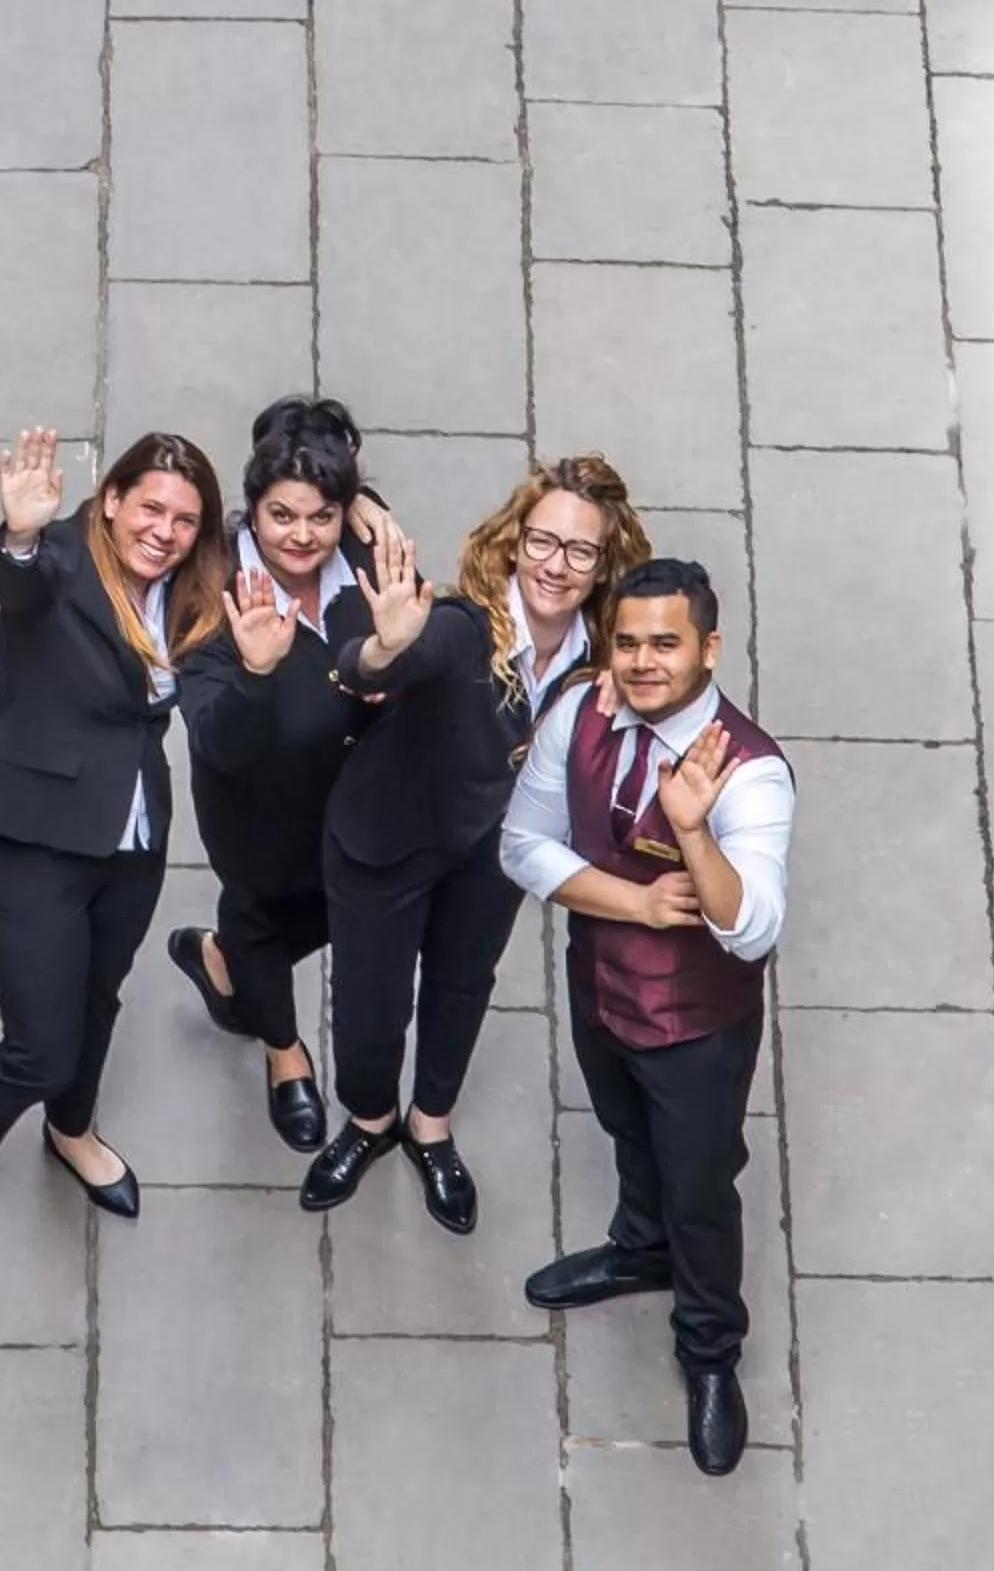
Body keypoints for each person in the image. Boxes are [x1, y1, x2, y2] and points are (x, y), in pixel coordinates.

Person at [0, 429, 230, 1248]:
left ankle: (70, 1129)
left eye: (185, 520)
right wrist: (18, 532)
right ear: (110, 501)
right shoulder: (63, 561)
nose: (165, 530)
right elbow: (15, 580)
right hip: (33, 843)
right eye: (149, 507)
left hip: (131, 841)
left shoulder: (195, 594)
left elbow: (298, 514)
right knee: (40, 1048)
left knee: (96, 1001)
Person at [301, 457, 649, 1231]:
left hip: (491, 858)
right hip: (386, 842)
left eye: (580, 551)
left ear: (603, 565)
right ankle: (367, 1121)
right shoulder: (462, 628)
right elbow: (367, 669)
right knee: (370, 1006)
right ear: (515, 541)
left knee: (463, 988)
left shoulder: (605, 661)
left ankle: (430, 1126)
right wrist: (384, 648)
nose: (556, 566)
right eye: (543, 542)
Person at [502, 559, 793, 1477]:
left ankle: (709, 1351)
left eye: (665, 643)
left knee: (702, 1190)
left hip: (699, 1026)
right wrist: (630, 905)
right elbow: (523, 844)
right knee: (627, 1133)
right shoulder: (578, 716)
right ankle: (638, 1248)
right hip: (599, 985)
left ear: (709, 647)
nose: (641, 661)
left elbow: (749, 930)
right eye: (626, 642)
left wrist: (696, 833)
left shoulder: (752, 771)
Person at [167, 398, 377, 1155]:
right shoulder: (206, 590)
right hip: (260, 814)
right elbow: (216, 741)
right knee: (260, 918)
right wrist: (256, 672)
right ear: (251, 507)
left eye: (322, 517)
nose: (301, 535)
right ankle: (284, 1050)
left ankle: (220, 960)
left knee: (340, 913)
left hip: (357, 804)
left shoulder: (363, 554)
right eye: (281, 515)